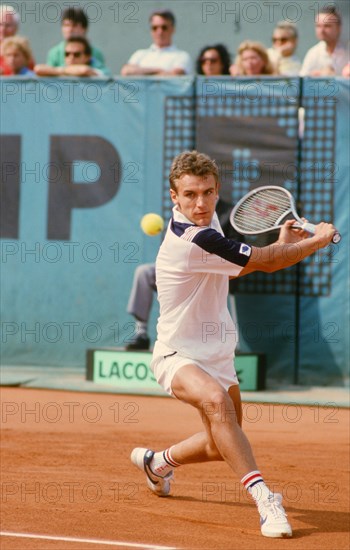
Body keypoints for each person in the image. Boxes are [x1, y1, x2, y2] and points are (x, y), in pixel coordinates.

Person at [130, 150, 336, 538]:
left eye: (208, 193)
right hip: (177, 354)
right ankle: (265, 499)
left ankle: (158, 462)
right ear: (174, 196)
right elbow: (267, 262)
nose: (200, 203)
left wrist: (281, 240)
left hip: (218, 355)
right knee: (215, 402)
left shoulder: (211, 230)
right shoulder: (191, 236)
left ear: (217, 189)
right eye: (190, 195)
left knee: (219, 442)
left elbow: (234, 270)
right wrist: (318, 241)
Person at [125, 198, 240, 351]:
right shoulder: (186, 211)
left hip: (212, 271)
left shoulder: (231, 213)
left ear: (216, 190)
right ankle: (141, 332)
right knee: (144, 272)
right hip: (183, 267)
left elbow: (237, 248)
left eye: (208, 191)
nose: (201, 199)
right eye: (194, 193)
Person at [121, 9, 192, 76]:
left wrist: (140, 72)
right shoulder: (140, 54)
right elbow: (126, 71)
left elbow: (174, 76)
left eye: (164, 27)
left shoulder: (181, 56)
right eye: (155, 28)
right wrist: (158, 71)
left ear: (173, 29)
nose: (159, 32)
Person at [46, 7, 109, 75]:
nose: (70, 29)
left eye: (74, 25)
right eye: (66, 25)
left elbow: (102, 77)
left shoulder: (96, 53)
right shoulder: (54, 52)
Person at [300, 6, 349, 76]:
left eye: (327, 26)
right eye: (318, 26)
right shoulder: (313, 53)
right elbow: (302, 81)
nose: (322, 30)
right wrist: (314, 75)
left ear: (339, 28)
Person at [35, 36, 106, 77]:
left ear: (87, 57)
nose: (71, 57)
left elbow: (84, 70)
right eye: (67, 54)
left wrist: (57, 71)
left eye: (76, 54)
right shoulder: (63, 67)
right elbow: (38, 69)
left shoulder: (99, 68)